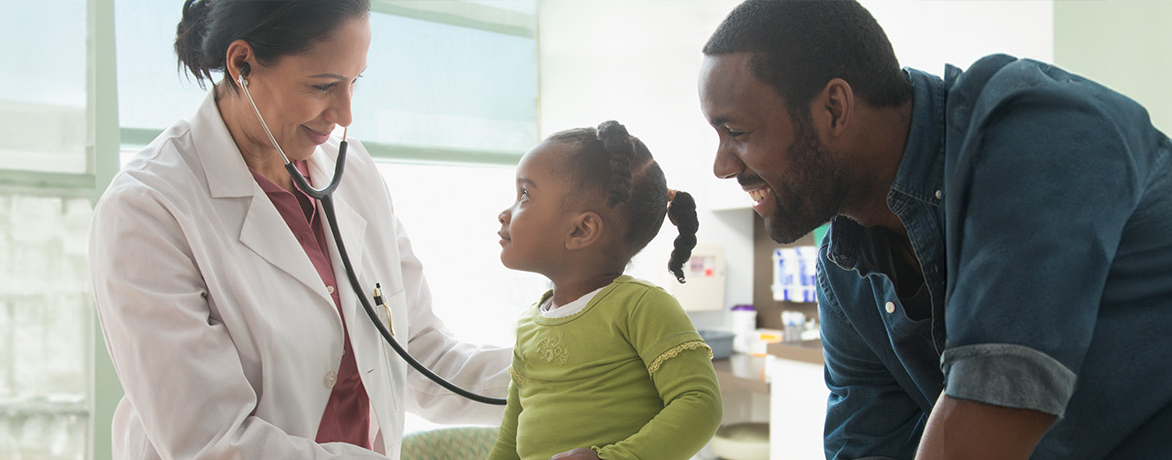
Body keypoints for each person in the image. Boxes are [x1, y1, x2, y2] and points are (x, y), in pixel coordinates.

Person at [697, 1, 1172, 458]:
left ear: (835, 109)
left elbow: (988, 406)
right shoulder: (843, 273)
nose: (720, 166)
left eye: (736, 133)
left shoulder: (1036, 135)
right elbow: (867, 446)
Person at [89, 0, 513, 458]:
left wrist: (574, 375)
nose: (345, 113)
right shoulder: (148, 209)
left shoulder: (355, 176)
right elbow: (212, 441)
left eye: (355, 82)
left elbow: (417, 354)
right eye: (324, 85)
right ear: (242, 64)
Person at [486, 121, 722, 460]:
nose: (505, 212)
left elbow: (700, 403)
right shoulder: (529, 325)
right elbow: (510, 439)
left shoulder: (641, 306)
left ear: (582, 230)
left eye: (524, 194)